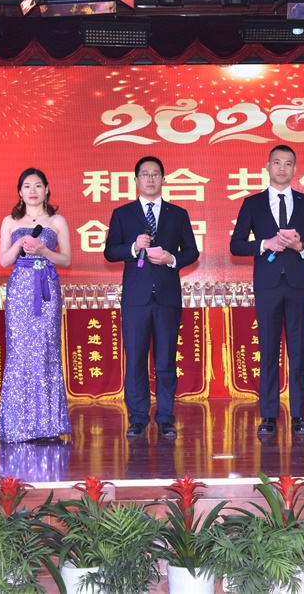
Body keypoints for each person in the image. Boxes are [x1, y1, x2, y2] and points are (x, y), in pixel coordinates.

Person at [230, 145, 304, 438]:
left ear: (295, 169)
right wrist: (265, 244)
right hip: (267, 285)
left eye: (288, 163)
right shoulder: (252, 203)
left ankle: (298, 415)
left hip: (298, 285)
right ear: (267, 167)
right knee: (269, 351)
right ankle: (269, 415)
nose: (282, 168)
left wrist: (300, 246)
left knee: (298, 351)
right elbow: (236, 244)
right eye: (277, 163)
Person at [104, 156, 200, 439]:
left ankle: (166, 417)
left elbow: (192, 252)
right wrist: (133, 248)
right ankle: (137, 418)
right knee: (135, 359)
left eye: (155, 174)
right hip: (136, 298)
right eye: (145, 174)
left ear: (163, 179)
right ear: (136, 180)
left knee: (166, 360)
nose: (150, 179)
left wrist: (172, 259)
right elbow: (110, 252)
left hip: (167, 296)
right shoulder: (123, 213)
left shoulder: (177, 214)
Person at [0, 167, 73, 443]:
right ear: (20, 191)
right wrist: (20, 244)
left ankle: (48, 425)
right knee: (20, 352)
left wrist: (44, 251)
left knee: (46, 350)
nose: (32, 190)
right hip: (19, 290)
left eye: (38, 185)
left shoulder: (57, 221)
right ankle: (18, 426)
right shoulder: (10, 221)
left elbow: (66, 259)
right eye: (27, 186)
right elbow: (4, 261)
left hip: (46, 290)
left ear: (47, 189)